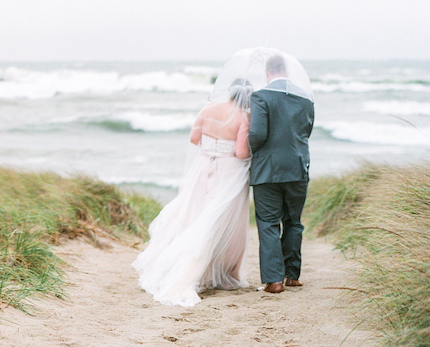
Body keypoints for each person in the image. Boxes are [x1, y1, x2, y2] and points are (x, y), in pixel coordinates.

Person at [132, 64, 254, 307]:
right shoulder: (243, 116)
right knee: (218, 221)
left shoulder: (208, 108)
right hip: (229, 173)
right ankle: (222, 274)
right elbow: (241, 153)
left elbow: (194, 138)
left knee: (193, 215)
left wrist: (213, 147)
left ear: (229, 91)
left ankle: (169, 265)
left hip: (202, 167)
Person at [248, 52, 315, 294]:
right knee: (293, 222)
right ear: (286, 71)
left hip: (268, 170)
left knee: (267, 223)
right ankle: (292, 275)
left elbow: (256, 134)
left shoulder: (260, 96)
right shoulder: (306, 98)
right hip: (298, 168)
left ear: (267, 72)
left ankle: (274, 280)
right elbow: (306, 131)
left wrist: (254, 150)